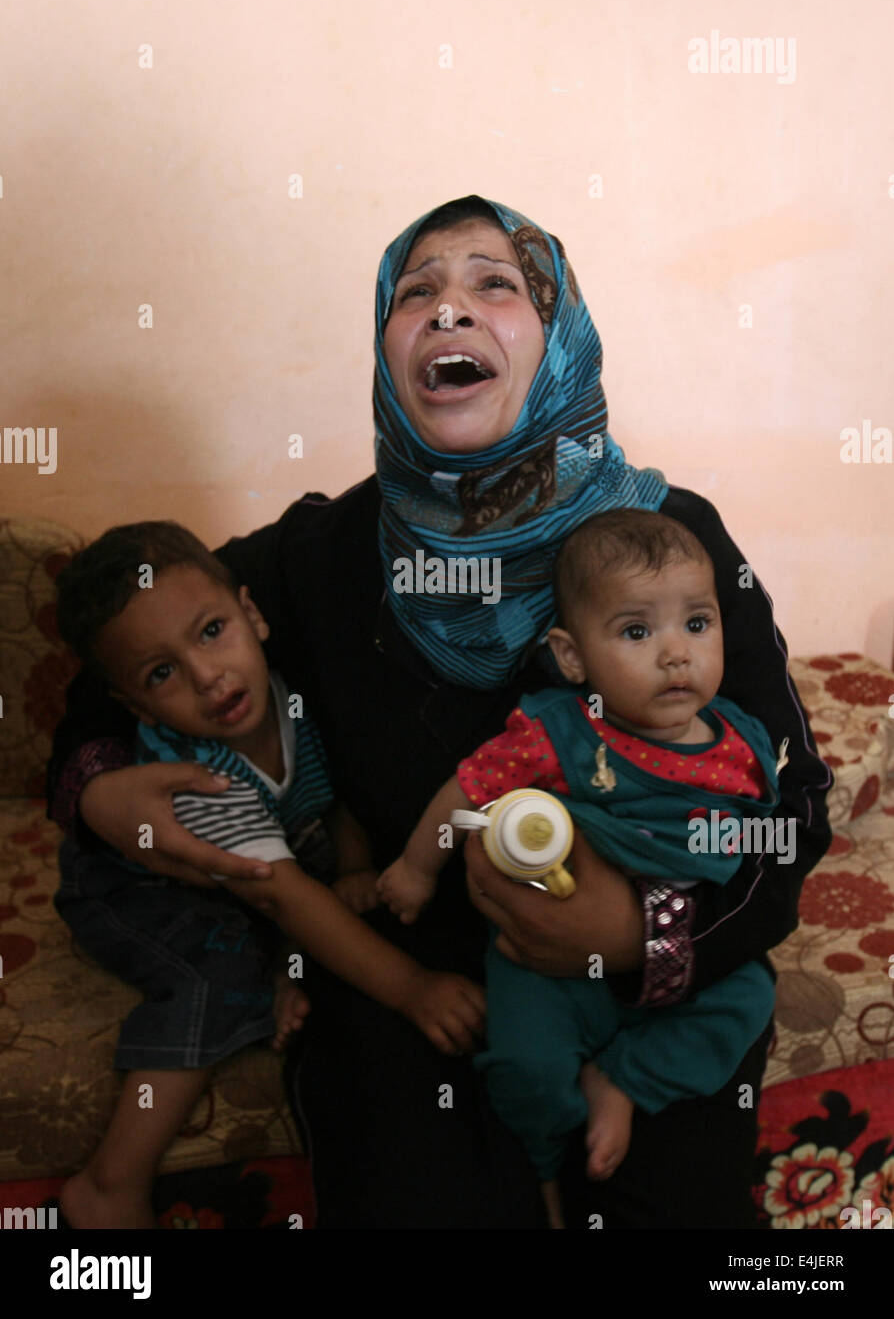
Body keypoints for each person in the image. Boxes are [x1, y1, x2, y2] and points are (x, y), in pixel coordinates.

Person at [47, 194, 833, 1229]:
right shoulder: (319, 557)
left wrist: (641, 932)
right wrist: (101, 791)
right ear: (386, 342)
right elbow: (114, 675)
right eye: (416, 291)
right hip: (407, 987)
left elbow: (793, 807)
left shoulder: (669, 547)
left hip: (655, 986)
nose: (449, 310)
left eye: (495, 283)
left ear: (558, 335)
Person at [52, 520, 485, 1228]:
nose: (206, 675)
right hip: (136, 889)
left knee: (301, 904)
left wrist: (350, 861)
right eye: (162, 674)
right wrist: (414, 990)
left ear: (252, 615)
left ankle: (285, 969)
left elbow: (326, 790)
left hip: (249, 864)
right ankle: (109, 1183)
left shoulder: (288, 694)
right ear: (134, 707)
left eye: (212, 631)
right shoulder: (202, 783)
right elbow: (283, 898)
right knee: (221, 978)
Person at [379, 507, 790, 1226]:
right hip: (549, 964)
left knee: (750, 1000)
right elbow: (468, 789)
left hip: (681, 955)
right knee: (525, 1069)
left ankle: (624, 1081)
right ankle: (544, 1173)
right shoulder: (560, 731)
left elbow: (771, 851)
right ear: (572, 658)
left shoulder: (745, 743)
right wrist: (416, 869)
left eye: (697, 624)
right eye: (637, 632)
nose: (675, 655)